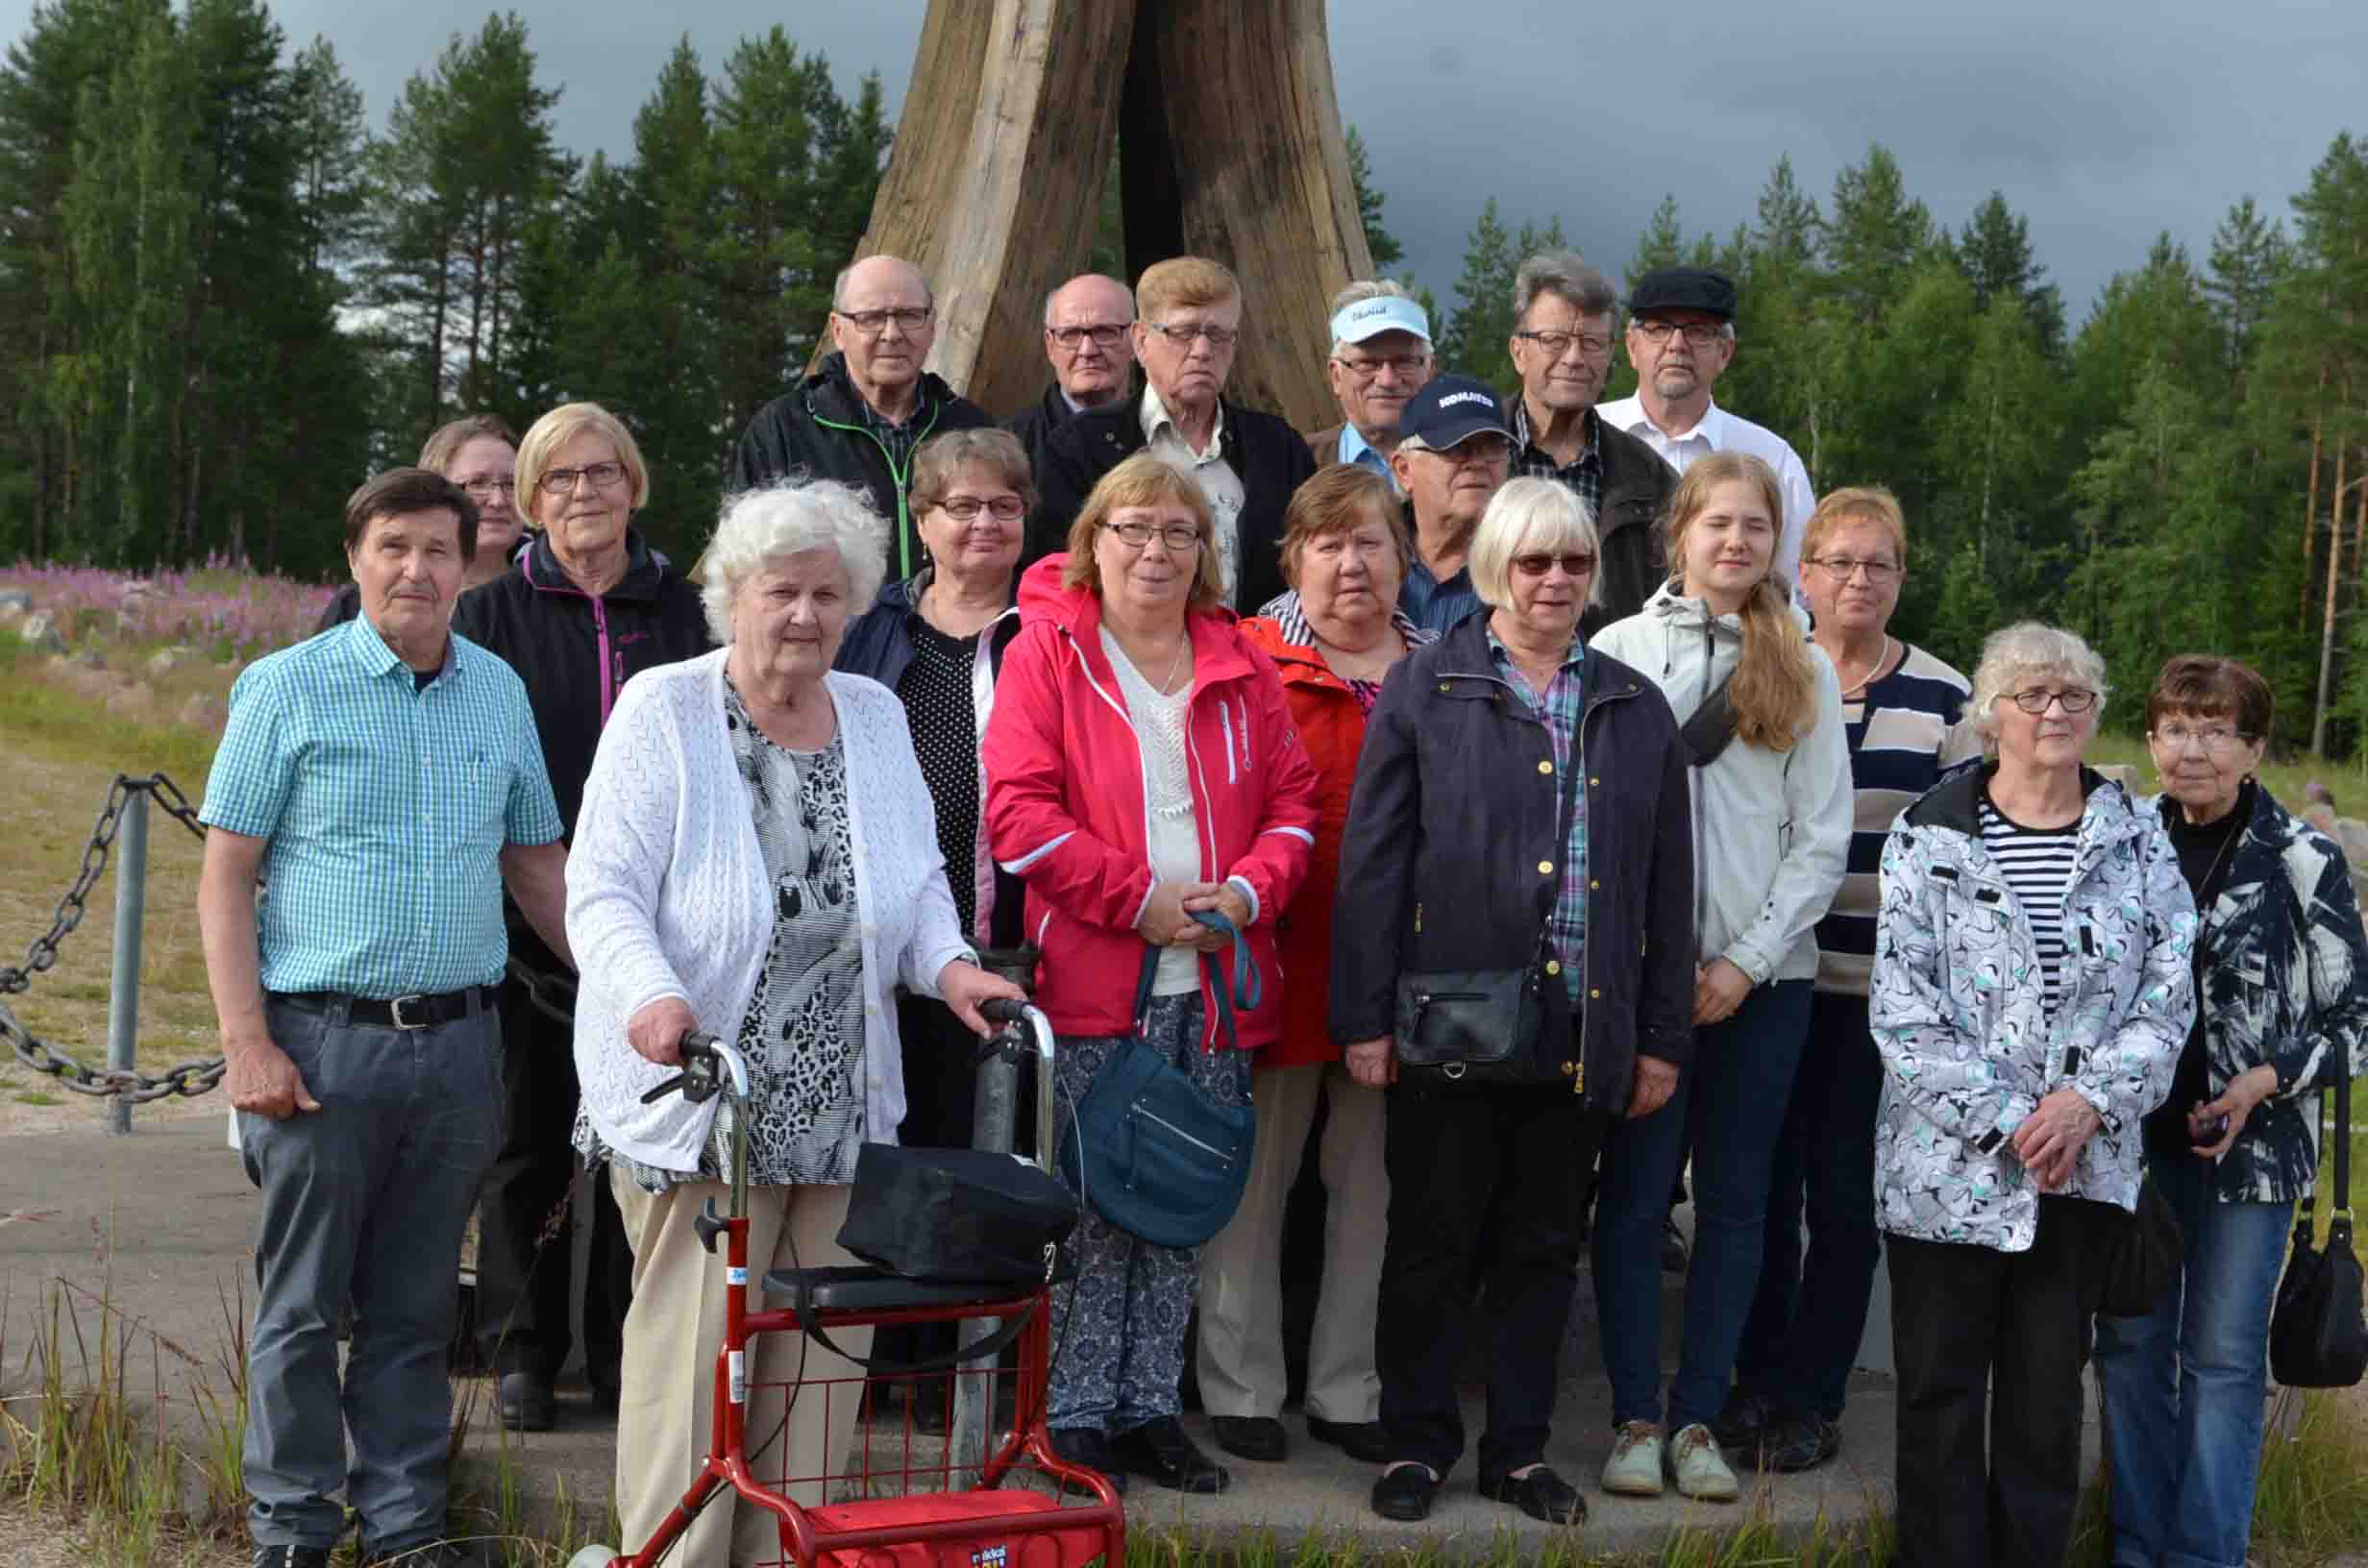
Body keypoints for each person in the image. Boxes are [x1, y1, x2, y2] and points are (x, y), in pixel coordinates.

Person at [566, 478, 1025, 1564]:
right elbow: (603, 889)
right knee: (695, 1369)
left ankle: (793, 1555)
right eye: (783, 591)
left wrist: (953, 969)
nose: (807, 615)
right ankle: (678, 1557)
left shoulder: (872, 714)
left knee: (818, 1370)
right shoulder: (666, 709)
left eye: (829, 593)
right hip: (703, 1093)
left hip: (837, 1100)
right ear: (735, 593)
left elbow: (913, 885)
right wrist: (650, 997)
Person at [198, 468, 573, 1568]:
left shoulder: (499, 693)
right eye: (394, 547)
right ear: (356, 556)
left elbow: (536, 866)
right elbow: (226, 878)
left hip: (461, 1050)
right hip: (320, 1047)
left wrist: (621, 989)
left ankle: (407, 1532)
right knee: (305, 1313)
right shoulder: (286, 688)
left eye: (439, 550)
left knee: (415, 1318)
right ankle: (294, 1533)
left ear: (470, 564)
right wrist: (244, 1042)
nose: (417, 569)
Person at [1329, 476, 1694, 1527]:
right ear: (1495, 569)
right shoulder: (1425, 685)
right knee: (1432, 1242)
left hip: (1583, 1029)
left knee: (1541, 1248)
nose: (1554, 580)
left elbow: (1670, 886)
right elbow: (1373, 866)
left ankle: (1519, 1452)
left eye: (1573, 562)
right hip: (1447, 1022)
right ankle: (1415, 1446)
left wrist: (1659, 1038)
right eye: (1533, 561)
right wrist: (1362, 1020)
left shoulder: (1632, 702)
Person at [983, 453, 1320, 1495]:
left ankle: (1147, 1410)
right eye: (1133, 528)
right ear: (1093, 540)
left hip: (1215, 986)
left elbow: (1294, 807)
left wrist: (1250, 894)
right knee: (1091, 1212)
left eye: (1179, 533)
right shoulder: (1048, 651)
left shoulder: (1241, 658)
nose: (1156, 551)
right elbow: (1017, 817)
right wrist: (1138, 902)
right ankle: (1075, 1417)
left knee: (1180, 1207)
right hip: (1096, 984)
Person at [1871, 622, 2195, 1568]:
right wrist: (2012, 1120)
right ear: (1992, 714)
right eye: (2031, 696)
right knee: (1936, 1399)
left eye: (2073, 697)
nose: (2053, 713)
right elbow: (1902, 1009)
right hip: (1945, 1177)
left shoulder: (2137, 835)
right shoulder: (1927, 833)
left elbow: (2167, 991)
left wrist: (2084, 1104)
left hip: (2080, 1172)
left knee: (2045, 1406)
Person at [1588, 451, 1852, 1504]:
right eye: (1717, 525)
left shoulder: (1802, 662)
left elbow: (1819, 835)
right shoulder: (1618, 650)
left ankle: (1698, 1415)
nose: (1735, 543)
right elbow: (1596, 824)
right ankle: (1631, 1416)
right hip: (1645, 986)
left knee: (1738, 1206)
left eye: (1755, 526)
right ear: (1679, 533)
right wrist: (1655, 968)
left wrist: (1743, 963)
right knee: (1635, 1197)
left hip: (1765, 986)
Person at [449, 402, 710, 1431]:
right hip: (530, 924)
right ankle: (523, 1348)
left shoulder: (686, 611)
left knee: (645, 1153)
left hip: (665, 924)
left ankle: (622, 1352)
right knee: (530, 1143)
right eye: (558, 479)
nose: (583, 494)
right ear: (529, 501)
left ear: (634, 485)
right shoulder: (491, 620)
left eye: (602, 474)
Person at [1722, 487, 1978, 1473]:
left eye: (1878, 564)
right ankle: (1748, 1378)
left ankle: (1810, 1397)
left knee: (1840, 1198)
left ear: (1900, 579)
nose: (1857, 580)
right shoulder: (1763, 669)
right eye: (1837, 562)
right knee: (1754, 1186)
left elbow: (1970, 862)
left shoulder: (1948, 700)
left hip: (1877, 998)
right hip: (1769, 976)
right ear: (1804, 574)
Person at [2094, 655, 2368, 1568]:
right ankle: (2138, 1547)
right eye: (2175, 728)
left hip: (2250, 1163)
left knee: (2220, 1364)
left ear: (2254, 749)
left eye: (2216, 731)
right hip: (2130, 1152)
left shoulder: (2303, 859)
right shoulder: (2119, 840)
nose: (2193, 749)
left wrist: (2265, 1081)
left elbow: (2357, 1024)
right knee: (2130, 1352)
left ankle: (2206, 1555)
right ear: (2152, 742)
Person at [1194, 465, 1425, 1469]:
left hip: (1399, 979)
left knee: (1371, 1190)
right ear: (1292, 558)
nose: (1350, 562)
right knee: (1253, 1185)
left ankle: (1347, 1386)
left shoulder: (1441, 666)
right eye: (1327, 544)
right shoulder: (1245, 657)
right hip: (1272, 961)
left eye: (1369, 541)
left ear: (1402, 558)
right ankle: (1240, 1386)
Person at [835, 428, 1033, 1157]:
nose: (985, 522)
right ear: (922, 521)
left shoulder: (1047, 630)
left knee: (996, 1150)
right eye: (962, 505)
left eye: (1004, 506)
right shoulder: (871, 629)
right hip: (889, 939)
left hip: (1011, 936)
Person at [1025, 257, 1319, 614]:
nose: (1202, 350)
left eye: (1217, 334)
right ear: (1140, 341)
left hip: (1258, 659)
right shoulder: (1079, 447)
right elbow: (1059, 579)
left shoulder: (1277, 447)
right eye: (1182, 332)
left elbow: (1310, 566)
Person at [730, 255, 994, 583]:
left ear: (932, 327)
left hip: (949, 631)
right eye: (871, 318)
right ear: (838, 330)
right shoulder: (782, 430)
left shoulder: (976, 431)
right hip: (832, 632)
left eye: (910, 315)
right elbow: (745, 566)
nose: (892, 333)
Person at [1598, 267, 1816, 594]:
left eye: (1698, 331)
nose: (1677, 345)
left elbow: (1800, 591)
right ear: (1631, 347)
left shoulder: (1772, 458)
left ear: (1725, 352)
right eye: (1659, 329)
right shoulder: (1589, 436)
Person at [1502, 250, 1676, 630]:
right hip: (1487, 677)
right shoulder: (1472, 457)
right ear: (1519, 352)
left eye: (1592, 343)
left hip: (1611, 681)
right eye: (1555, 341)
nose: (1575, 358)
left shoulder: (1652, 479)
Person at [315, 415, 523, 631]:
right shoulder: (353, 606)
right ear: (432, 491)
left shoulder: (543, 603)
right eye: (477, 483)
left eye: (511, 484)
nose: (498, 500)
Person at [1387, 375, 1516, 636]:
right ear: (1404, 470)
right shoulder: (1365, 555)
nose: (1477, 462)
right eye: (1456, 447)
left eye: (1492, 447)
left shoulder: (1532, 565)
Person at [1006, 273, 1137, 482]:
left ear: (1135, 340)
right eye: (1070, 334)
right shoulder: (1010, 446)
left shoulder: (1166, 435)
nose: (1087, 350)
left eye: (1105, 332)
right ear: (1050, 346)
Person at [1302, 282, 1434, 481]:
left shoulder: (1472, 456)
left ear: (1430, 370)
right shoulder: (1295, 462)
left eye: (1404, 361)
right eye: (1368, 363)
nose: (1387, 381)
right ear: (1336, 376)